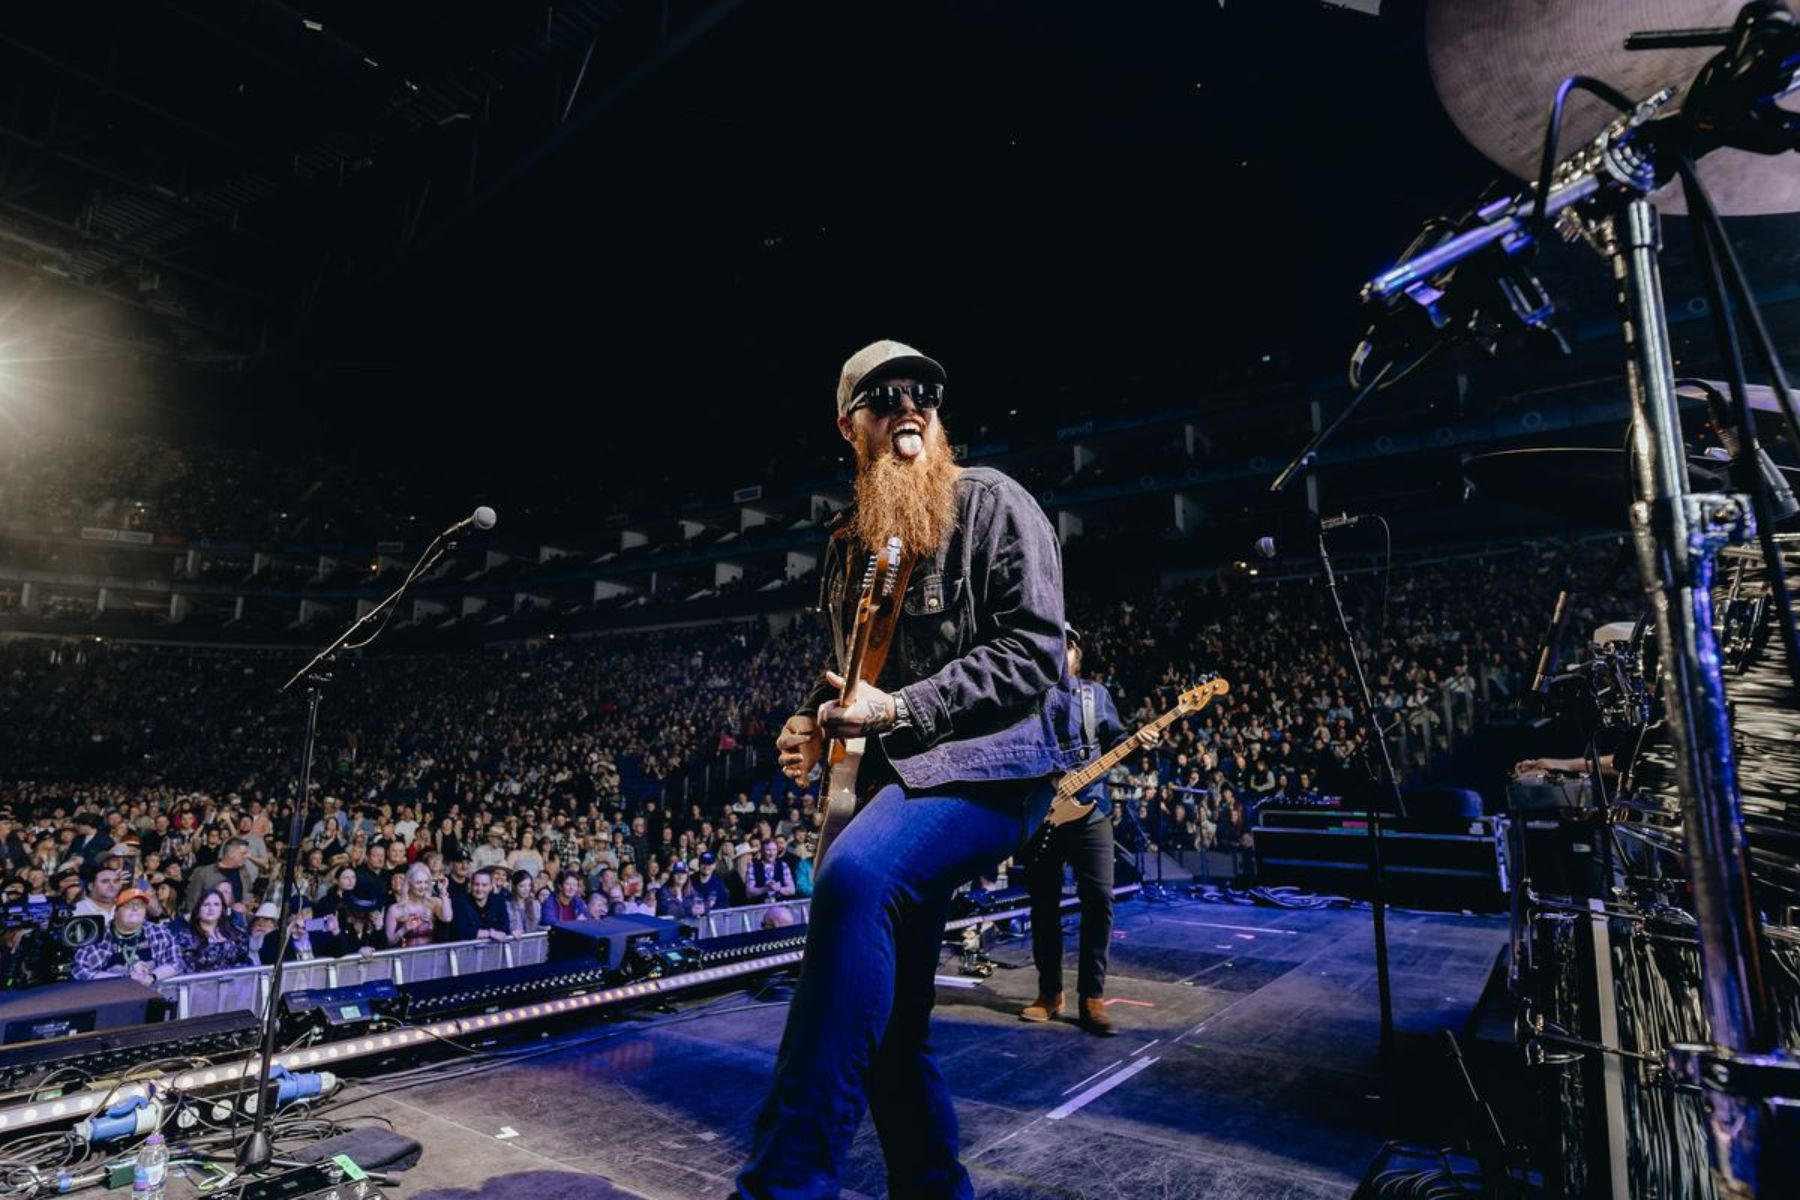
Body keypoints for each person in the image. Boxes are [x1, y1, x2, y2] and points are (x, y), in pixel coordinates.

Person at [736, 340, 1067, 1200]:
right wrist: (814, 726)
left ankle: (784, 1185)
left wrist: (902, 710)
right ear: (851, 428)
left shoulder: (991, 503)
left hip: (994, 766)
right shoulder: (851, 548)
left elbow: (1034, 649)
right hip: (897, 779)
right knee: (890, 1024)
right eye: (883, 398)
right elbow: (849, 675)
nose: (908, 405)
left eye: (922, 391)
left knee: (855, 876)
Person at [1023, 625, 1157, 1036]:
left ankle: (1092, 997)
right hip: (1041, 810)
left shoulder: (1094, 695)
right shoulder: (1030, 696)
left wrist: (1139, 739)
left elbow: (1116, 737)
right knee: (1043, 903)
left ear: (1077, 653)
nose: (1061, 651)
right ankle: (1050, 992)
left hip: (1091, 809)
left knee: (1099, 898)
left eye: (1068, 646)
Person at [71, 888, 183, 983]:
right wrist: (125, 979)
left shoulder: (159, 932)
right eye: (128, 905)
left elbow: (177, 962)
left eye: (140, 905)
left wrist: (152, 977)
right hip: (111, 997)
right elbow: (79, 971)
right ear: (115, 912)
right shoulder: (98, 935)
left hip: (153, 995)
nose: (135, 909)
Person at [174, 889, 255, 974]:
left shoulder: (236, 933)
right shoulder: (185, 937)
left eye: (216, 905)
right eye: (206, 904)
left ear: (222, 909)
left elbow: (246, 963)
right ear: (198, 909)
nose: (211, 909)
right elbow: (184, 969)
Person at [386, 863, 452, 948]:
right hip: (404, 958)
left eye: (426, 883)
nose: (423, 886)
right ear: (409, 884)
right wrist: (404, 929)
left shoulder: (432, 903)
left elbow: (447, 918)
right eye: (418, 883)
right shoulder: (395, 909)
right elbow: (389, 941)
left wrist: (443, 892)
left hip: (429, 957)